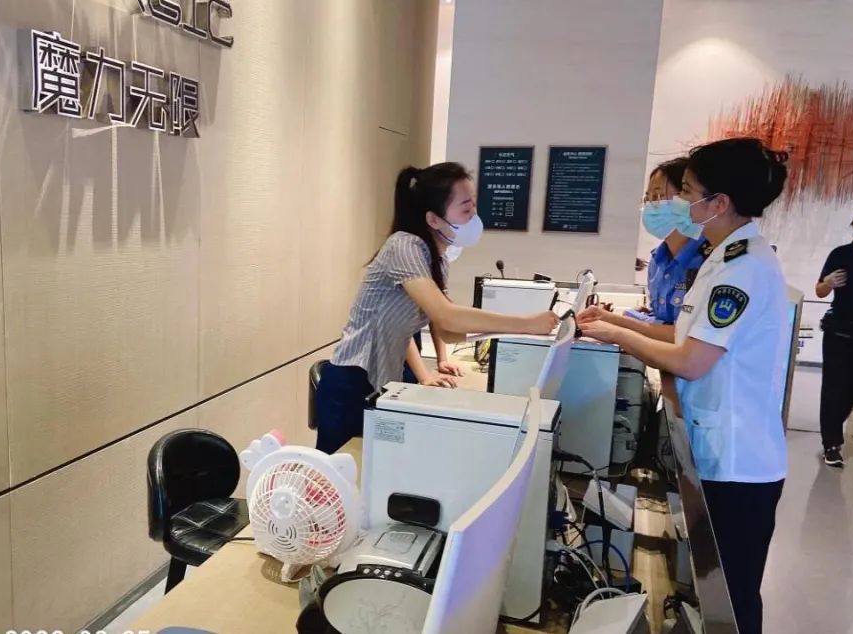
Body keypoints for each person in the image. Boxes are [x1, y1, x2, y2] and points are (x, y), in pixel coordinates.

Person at [578, 137, 789, 634]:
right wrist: (621, 326)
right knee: (716, 589)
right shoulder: (723, 259)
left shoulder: (742, 270)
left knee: (731, 601)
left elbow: (691, 361)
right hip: (716, 447)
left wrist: (617, 335)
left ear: (719, 202)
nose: (678, 202)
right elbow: (682, 334)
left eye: (687, 191)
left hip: (737, 460)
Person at [315, 162, 558, 454]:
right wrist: (526, 323)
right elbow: (447, 316)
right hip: (352, 380)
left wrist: (514, 332)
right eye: (466, 208)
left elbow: (448, 331)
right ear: (433, 219)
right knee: (340, 471)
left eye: (474, 206)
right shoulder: (404, 246)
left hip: (382, 378)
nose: (474, 216)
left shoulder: (437, 257)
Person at [583, 157, 710, 342]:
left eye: (657, 196)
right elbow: (659, 319)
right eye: (647, 198)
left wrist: (618, 323)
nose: (650, 205)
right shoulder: (658, 261)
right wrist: (629, 317)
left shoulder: (708, 261)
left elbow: (686, 337)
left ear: (686, 199)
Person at [815, 201, 853, 468]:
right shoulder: (841, 255)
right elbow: (819, 291)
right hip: (839, 331)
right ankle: (831, 444)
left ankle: (833, 426)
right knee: (834, 388)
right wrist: (828, 283)